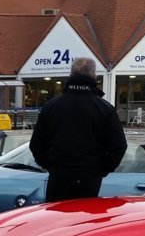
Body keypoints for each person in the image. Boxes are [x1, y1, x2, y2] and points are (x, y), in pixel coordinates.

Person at [28, 57, 127, 201]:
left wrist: (50, 165)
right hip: (89, 177)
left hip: (59, 175)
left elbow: (36, 144)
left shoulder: (52, 106)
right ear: (94, 76)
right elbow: (119, 146)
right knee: (84, 214)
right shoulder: (105, 109)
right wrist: (102, 169)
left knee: (57, 214)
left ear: (70, 75)